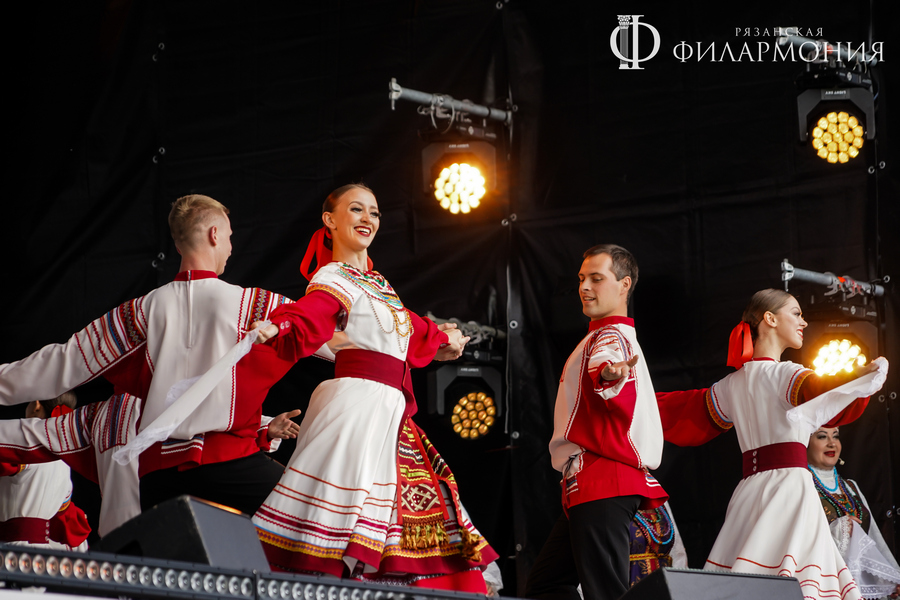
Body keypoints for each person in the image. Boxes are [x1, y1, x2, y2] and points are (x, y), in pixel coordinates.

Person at [249, 183, 497, 590]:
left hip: (388, 412)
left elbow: (413, 328)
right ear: (329, 220)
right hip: (358, 408)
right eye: (357, 209)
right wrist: (282, 325)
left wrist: (445, 339)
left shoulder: (378, 284)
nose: (368, 219)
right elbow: (313, 312)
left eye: (375, 212)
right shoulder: (333, 276)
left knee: (398, 518)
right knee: (341, 522)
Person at [0, 194, 300, 515]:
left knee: (169, 544)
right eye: (229, 237)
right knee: (304, 515)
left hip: (157, 474)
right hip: (228, 461)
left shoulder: (136, 314)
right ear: (214, 234)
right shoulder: (254, 305)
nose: (230, 247)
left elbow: (62, 362)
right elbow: (325, 336)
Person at [663, 289, 888, 600]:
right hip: (789, 488)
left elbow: (682, 411)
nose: (803, 322)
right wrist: (864, 376)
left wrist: (632, 398)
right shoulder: (786, 374)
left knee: (748, 578)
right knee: (799, 579)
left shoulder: (731, 385)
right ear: (769, 318)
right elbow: (822, 392)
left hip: (750, 492)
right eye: (796, 313)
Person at [525, 244, 668, 600]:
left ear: (624, 284)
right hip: (592, 481)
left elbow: (605, 368)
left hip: (603, 479)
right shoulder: (604, 335)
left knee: (603, 593)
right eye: (581, 278)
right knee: (546, 584)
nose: (584, 287)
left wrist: (608, 375)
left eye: (596, 278)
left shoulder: (610, 337)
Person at [0, 391, 301, 536]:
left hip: (160, 481)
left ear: (36, 404)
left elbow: (208, 412)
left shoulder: (96, 417)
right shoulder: (102, 415)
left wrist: (263, 428)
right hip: (155, 486)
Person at [808, 427, 900, 599]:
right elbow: (803, 539)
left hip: (860, 586)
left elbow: (874, 537)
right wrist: (838, 529)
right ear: (806, 443)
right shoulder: (804, 485)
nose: (832, 443)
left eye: (836, 437)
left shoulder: (850, 486)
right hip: (828, 585)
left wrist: (894, 576)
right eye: (822, 437)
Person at [0, 392, 90, 550]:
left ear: (36, 405)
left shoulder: (27, 439)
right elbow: (65, 522)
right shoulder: (64, 458)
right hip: (43, 554)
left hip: (12, 551)